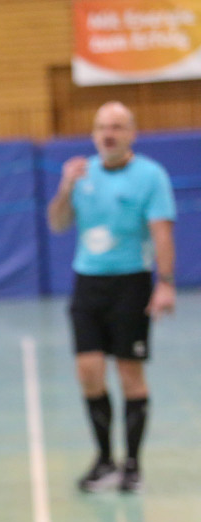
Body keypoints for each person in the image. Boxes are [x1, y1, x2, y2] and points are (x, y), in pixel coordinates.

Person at [47, 101, 176, 493]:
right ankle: (104, 460)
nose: (109, 134)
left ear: (131, 134)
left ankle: (132, 465)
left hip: (130, 283)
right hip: (88, 284)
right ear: (93, 133)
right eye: (102, 127)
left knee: (129, 373)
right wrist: (65, 188)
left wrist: (165, 282)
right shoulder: (82, 174)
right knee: (88, 371)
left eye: (117, 127)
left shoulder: (150, 175)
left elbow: (162, 232)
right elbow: (57, 223)